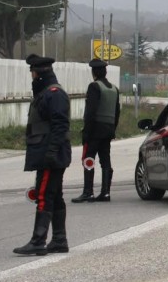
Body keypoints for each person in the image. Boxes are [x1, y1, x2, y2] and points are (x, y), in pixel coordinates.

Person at [13, 55, 72, 256]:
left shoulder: (54, 94)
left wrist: (52, 152)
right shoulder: (47, 93)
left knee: (44, 195)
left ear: (39, 73)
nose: (32, 75)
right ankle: (59, 240)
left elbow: (60, 125)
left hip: (50, 155)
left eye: (33, 72)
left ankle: (38, 241)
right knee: (54, 196)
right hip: (47, 152)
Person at [72, 58, 121, 203]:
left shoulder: (94, 87)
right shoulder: (114, 89)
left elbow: (90, 112)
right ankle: (105, 192)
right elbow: (117, 112)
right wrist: (113, 129)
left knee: (88, 159)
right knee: (105, 161)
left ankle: (88, 192)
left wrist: (86, 132)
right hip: (108, 130)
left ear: (94, 72)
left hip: (95, 130)